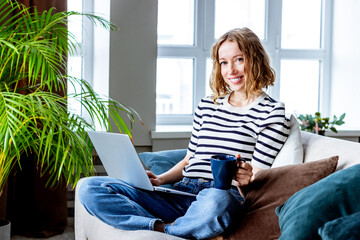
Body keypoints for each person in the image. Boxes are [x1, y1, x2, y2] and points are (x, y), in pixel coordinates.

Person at [78, 27, 290, 240]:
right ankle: (173, 228)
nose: (230, 70)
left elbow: (260, 175)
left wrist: (246, 178)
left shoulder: (272, 112)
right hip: (182, 193)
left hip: (220, 196)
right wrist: (160, 180)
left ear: (256, 59)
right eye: (224, 62)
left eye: (239, 60)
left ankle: (174, 229)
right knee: (90, 187)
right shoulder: (208, 105)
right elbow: (189, 160)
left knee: (219, 202)